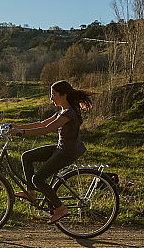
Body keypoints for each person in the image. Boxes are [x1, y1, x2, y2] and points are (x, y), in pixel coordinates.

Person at [9, 80, 93, 224]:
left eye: (53, 94)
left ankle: (60, 208)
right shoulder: (62, 111)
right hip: (60, 148)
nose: (51, 98)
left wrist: (21, 132)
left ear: (64, 95)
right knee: (27, 156)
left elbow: (46, 129)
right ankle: (31, 193)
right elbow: (42, 123)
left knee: (38, 179)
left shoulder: (69, 113)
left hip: (67, 152)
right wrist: (16, 126)